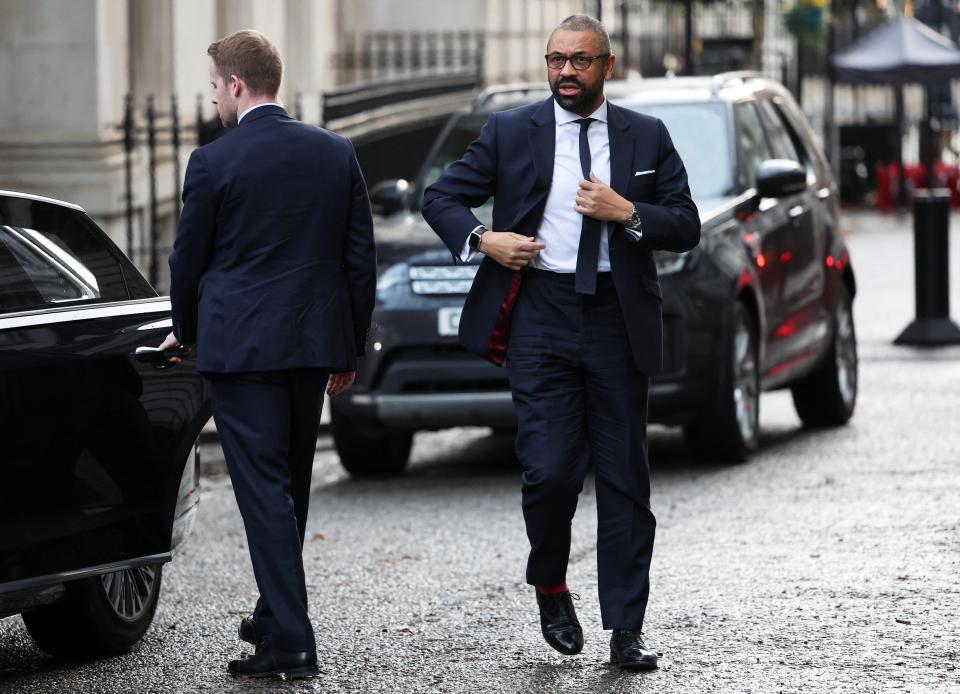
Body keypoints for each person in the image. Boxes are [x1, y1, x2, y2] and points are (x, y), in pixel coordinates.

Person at [422, 15, 699, 670]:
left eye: (579, 60)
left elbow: (685, 224)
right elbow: (442, 197)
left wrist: (626, 212)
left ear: (608, 64)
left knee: (625, 477)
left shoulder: (646, 136)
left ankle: (626, 627)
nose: (566, 72)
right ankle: (550, 581)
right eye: (555, 60)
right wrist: (484, 239)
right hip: (540, 313)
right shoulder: (511, 130)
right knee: (548, 471)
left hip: (615, 317)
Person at [162, 29, 376, 680]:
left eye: (214, 88)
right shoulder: (334, 152)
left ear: (234, 85)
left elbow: (187, 259)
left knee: (263, 494)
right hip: (311, 344)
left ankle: (293, 642)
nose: (215, 100)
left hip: (244, 347)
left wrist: (185, 327)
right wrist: (349, 347)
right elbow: (360, 259)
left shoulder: (213, 162)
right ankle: (273, 613)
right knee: (290, 485)